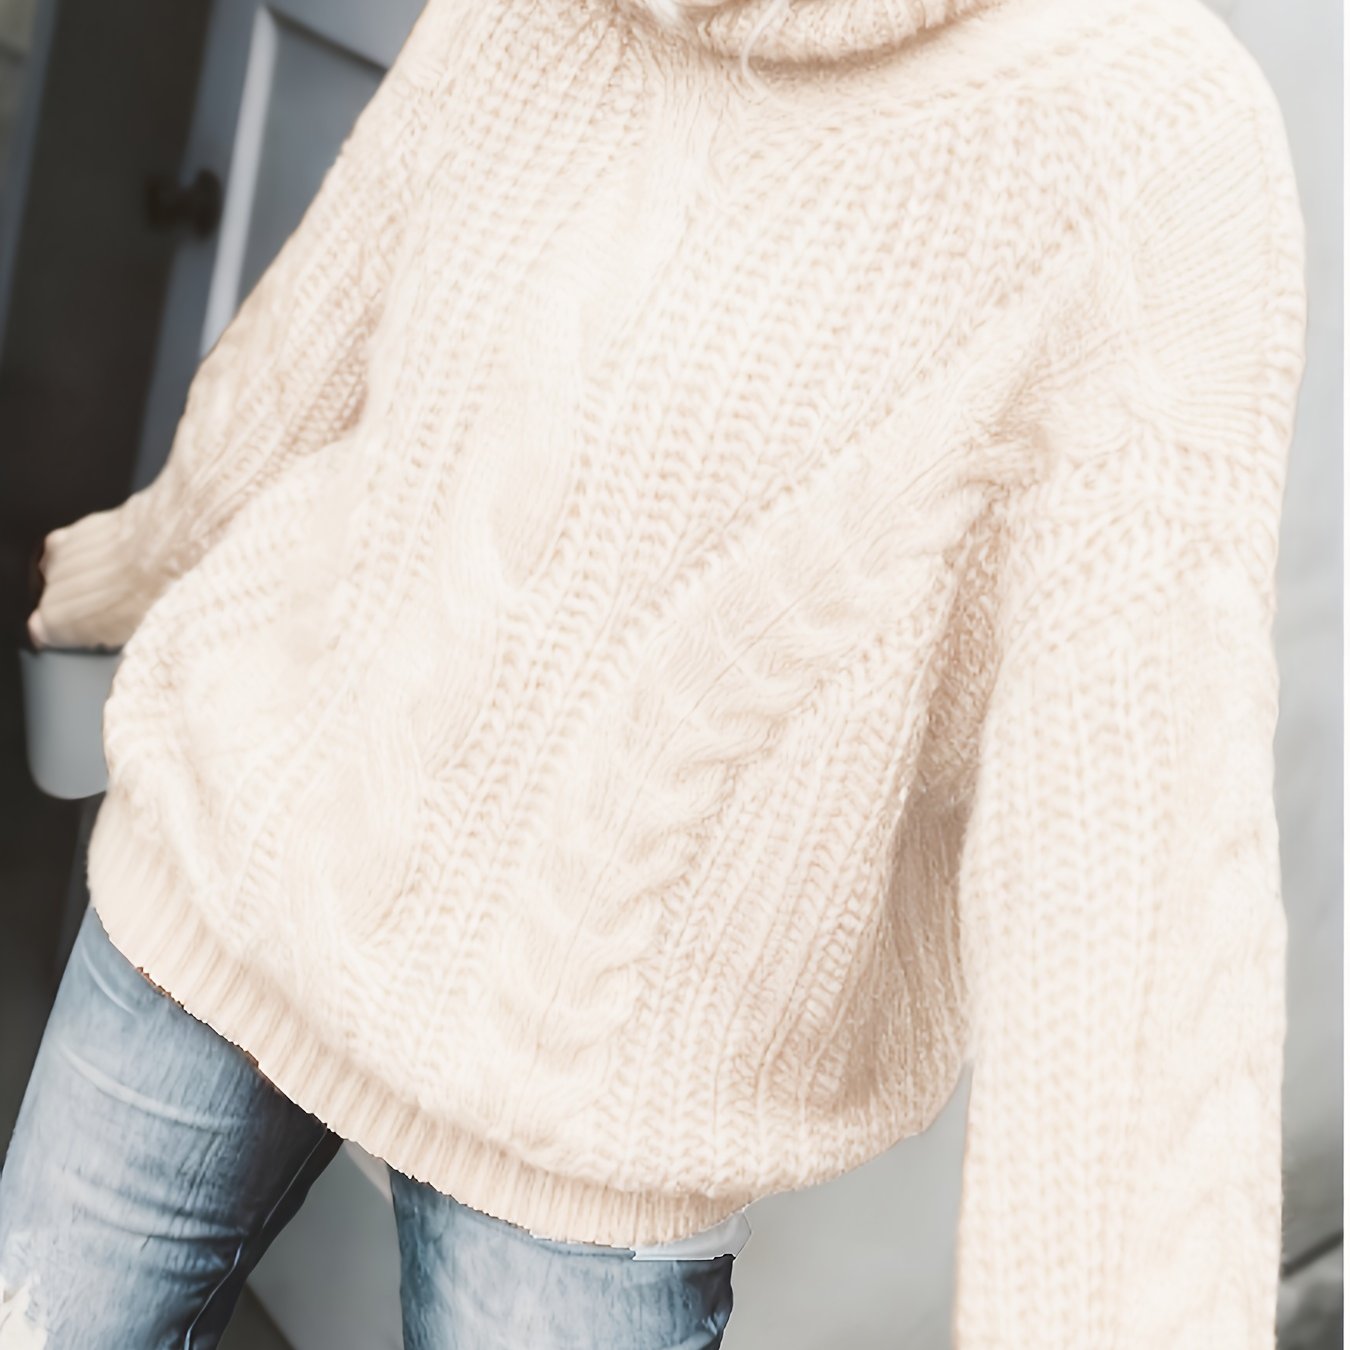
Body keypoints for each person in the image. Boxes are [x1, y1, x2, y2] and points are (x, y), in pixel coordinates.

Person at [1, 0, 1309, 1344]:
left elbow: (1135, 885)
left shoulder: (1144, 135)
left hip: (597, 1118)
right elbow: (321, 323)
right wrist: (135, 564)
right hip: (228, 858)